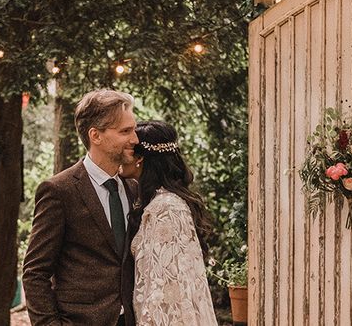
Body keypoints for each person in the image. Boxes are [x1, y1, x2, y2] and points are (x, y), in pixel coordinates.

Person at [23, 89, 140, 326]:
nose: (135, 139)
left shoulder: (134, 188)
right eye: (125, 131)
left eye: (133, 129)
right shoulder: (59, 191)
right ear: (95, 135)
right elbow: (35, 273)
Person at [121, 121, 217, 326]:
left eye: (128, 149)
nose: (122, 154)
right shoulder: (156, 203)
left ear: (140, 159)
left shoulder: (166, 209)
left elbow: (167, 294)